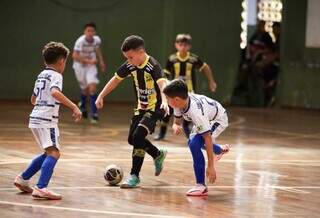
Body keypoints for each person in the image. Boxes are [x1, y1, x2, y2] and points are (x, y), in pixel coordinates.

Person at [95, 35, 169, 188]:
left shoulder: (153, 66)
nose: (128, 60)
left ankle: (134, 175)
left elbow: (162, 84)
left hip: (156, 107)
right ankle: (157, 154)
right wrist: (101, 95)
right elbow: (115, 79)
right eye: (126, 58)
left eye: (130, 57)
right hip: (140, 108)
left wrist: (166, 101)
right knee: (132, 139)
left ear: (141, 52)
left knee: (138, 135)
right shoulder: (130, 65)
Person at [14, 42, 82, 200]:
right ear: (61, 61)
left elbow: (33, 99)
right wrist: (73, 107)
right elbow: (54, 92)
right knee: (54, 153)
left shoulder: (41, 75)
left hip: (35, 117)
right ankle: (41, 187)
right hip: (46, 119)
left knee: (48, 153)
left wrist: (42, 100)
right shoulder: (57, 75)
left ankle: (23, 179)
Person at [163, 79, 230, 196]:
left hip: (217, 119)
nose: (167, 101)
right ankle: (220, 150)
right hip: (206, 118)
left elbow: (207, 137)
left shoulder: (195, 111)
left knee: (195, 144)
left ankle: (201, 186)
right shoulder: (178, 102)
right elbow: (177, 121)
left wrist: (210, 166)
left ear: (176, 100)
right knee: (193, 143)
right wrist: (175, 125)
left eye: (168, 99)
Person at [154, 34, 217, 141]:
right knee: (167, 112)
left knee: (189, 113)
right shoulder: (172, 59)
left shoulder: (193, 58)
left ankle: (190, 136)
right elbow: (165, 73)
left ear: (189, 47)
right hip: (173, 91)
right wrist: (162, 85)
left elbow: (205, 67)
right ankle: (161, 134)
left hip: (189, 92)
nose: (183, 47)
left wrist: (211, 81)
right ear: (176, 45)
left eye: (185, 45)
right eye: (180, 44)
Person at [72, 22, 106, 123]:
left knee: (92, 88)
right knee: (84, 90)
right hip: (80, 66)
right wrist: (89, 61)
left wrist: (101, 62)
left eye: (92, 31)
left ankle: (94, 114)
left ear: (94, 32)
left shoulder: (96, 40)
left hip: (91, 67)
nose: (90, 33)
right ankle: (82, 104)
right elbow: (74, 56)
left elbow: (98, 50)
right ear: (84, 32)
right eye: (88, 31)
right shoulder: (80, 41)